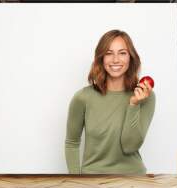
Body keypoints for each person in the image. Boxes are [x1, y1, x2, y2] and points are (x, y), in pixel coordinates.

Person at [64, 29, 155, 175]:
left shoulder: (146, 96)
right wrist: (77, 181)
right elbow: (72, 144)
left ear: (131, 57)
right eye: (109, 53)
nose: (115, 60)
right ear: (101, 58)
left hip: (134, 180)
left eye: (122, 53)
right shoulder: (82, 97)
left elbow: (130, 146)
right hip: (92, 182)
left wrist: (133, 104)